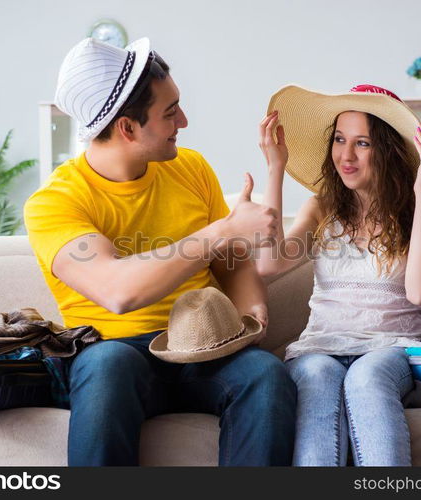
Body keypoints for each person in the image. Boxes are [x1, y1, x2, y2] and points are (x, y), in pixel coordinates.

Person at [24, 37, 296, 466]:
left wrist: (251, 308)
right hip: (118, 354)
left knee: (265, 373)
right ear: (128, 128)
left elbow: (228, 262)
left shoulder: (190, 168)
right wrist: (223, 229)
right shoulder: (55, 202)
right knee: (107, 364)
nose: (183, 121)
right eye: (170, 113)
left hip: (205, 345)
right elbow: (117, 291)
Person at [253, 84, 421, 466]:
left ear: (387, 150)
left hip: (389, 348)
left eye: (362, 143)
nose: (345, 156)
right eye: (339, 140)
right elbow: (269, 264)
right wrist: (275, 168)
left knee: (365, 379)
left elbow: (419, 292)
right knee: (314, 375)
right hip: (320, 346)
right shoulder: (320, 208)